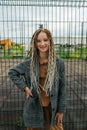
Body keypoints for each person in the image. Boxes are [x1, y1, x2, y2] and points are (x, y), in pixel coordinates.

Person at [8, 28, 66, 130]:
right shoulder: (29, 63)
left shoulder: (59, 63)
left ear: (50, 41)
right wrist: (25, 88)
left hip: (52, 108)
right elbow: (12, 73)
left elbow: (62, 88)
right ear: (35, 43)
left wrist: (61, 110)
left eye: (45, 40)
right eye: (38, 41)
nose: (42, 43)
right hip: (34, 107)